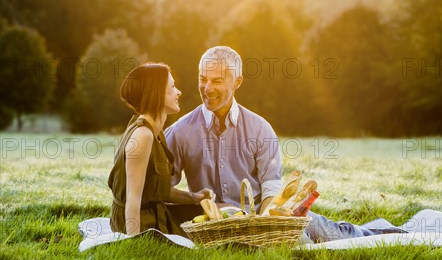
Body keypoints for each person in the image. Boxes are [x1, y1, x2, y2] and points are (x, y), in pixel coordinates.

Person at [165, 46, 405, 242]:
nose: (207, 89)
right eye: (202, 79)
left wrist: (264, 224)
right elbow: (164, 188)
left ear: (237, 81)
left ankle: (390, 233)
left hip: (266, 220)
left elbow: (271, 188)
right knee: (303, 245)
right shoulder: (179, 132)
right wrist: (193, 199)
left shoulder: (260, 129)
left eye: (216, 81)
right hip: (216, 231)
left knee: (339, 235)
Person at [108, 62, 213, 236]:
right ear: (156, 93)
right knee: (205, 231)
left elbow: (154, 190)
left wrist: (193, 198)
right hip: (141, 224)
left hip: (155, 214)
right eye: (172, 87)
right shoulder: (143, 135)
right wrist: (133, 244)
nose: (179, 92)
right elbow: (133, 200)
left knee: (212, 215)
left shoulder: (156, 132)